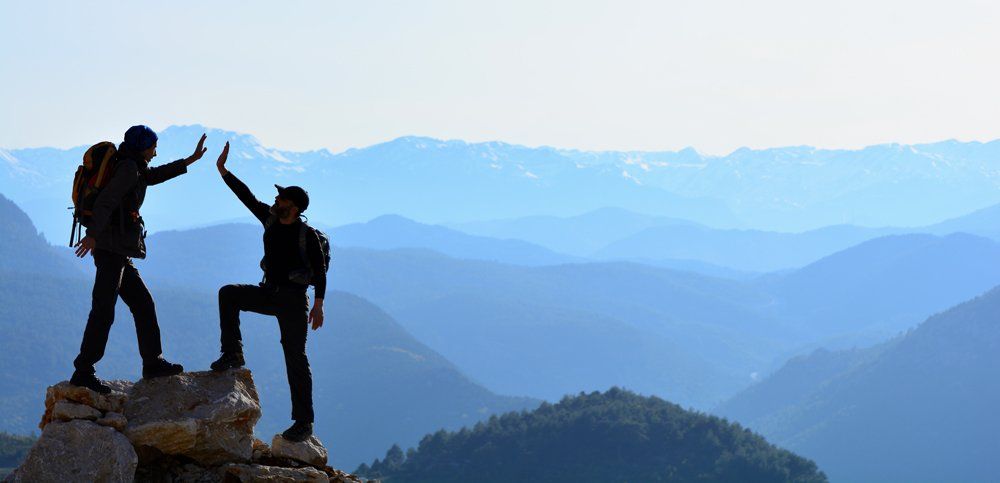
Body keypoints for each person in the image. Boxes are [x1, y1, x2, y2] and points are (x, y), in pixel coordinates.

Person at [71, 125, 208, 394]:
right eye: (153, 147)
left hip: (117, 250)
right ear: (142, 146)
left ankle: (152, 362)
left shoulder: (132, 165)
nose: (155, 152)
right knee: (103, 310)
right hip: (110, 249)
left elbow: (152, 176)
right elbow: (106, 202)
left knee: (143, 303)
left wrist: (189, 161)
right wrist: (92, 235)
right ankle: (83, 370)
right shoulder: (127, 169)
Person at [210, 141, 326, 442]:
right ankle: (232, 353)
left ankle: (303, 422)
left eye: (281, 196)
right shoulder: (270, 219)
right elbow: (245, 195)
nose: (275, 198)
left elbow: (321, 271)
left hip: (293, 301)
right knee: (229, 293)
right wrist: (224, 171)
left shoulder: (307, 236)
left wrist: (318, 305)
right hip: (269, 292)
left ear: (294, 206)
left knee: (296, 358)